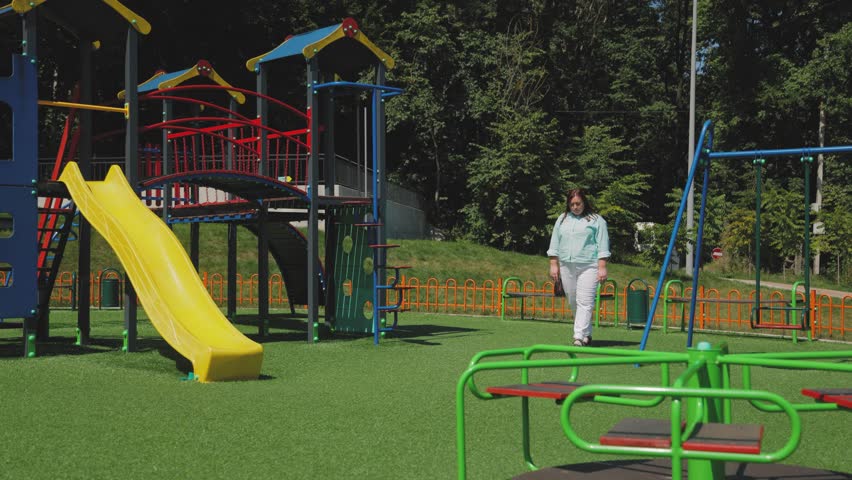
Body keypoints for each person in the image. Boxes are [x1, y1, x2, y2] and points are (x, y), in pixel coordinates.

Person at [547, 188, 610, 346]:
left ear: (584, 202)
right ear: (568, 204)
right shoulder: (562, 219)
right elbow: (554, 242)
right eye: (572, 204)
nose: (575, 207)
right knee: (573, 301)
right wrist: (553, 264)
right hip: (566, 265)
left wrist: (602, 267)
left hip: (589, 266)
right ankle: (586, 334)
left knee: (586, 301)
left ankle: (578, 336)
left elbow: (603, 245)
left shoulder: (596, 220)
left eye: (578, 203)